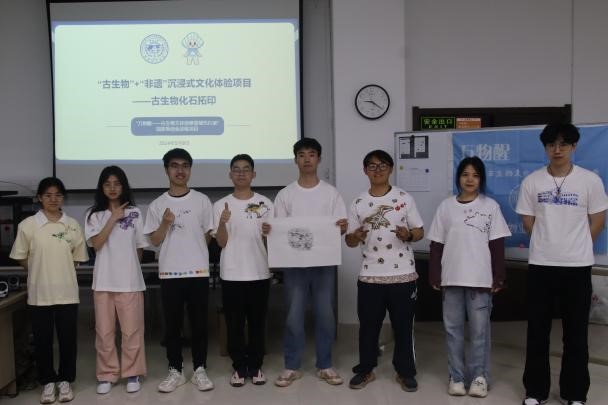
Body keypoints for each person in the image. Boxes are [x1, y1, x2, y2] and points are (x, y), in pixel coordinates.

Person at [516, 123, 608, 405]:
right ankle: (535, 391)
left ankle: (575, 394)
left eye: (563, 144)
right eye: (551, 144)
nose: (557, 150)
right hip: (541, 266)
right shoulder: (532, 182)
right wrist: (549, 243)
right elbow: (528, 222)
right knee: (537, 332)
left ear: (574, 146)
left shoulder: (590, 181)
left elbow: (598, 220)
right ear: (545, 147)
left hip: (577, 267)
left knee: (576, 333)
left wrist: (576, 245)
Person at [264, 137, 348, 387]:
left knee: (325, 315)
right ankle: (292, 365)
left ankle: (325, 364)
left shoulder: (331, 193)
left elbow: (340, 229)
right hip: (294, 265)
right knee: (293, 315)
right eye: (301, 155)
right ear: (295, 160)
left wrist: (342, 227)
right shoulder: (285, 194)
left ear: (319, 159)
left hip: (324, 264)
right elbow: (279, 230)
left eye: (312, 154)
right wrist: (270, 230)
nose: (307, 159)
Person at [427, 156, 511, 398]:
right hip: (451, 278)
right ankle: (456, 377)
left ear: (481, 179)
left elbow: (497, 245)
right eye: (465, 174)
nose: (470, 179)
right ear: (458, 178)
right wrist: (435, 274)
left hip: (480, 280)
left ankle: (479, 378)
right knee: (453, 330)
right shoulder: (446, 207)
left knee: (479, 332)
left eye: (475, 175)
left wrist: (499, 276)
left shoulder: (490, 207)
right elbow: (436, 244)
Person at [345, 149, 423, 392]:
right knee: (368, 327)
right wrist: (355, 236)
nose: (377, 170)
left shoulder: (404, 198)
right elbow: (349, 240)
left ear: (390, 169)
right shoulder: (358, 202)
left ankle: (405, 372)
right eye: (372, 166)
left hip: (403, 275)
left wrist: (408, 235)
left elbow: (419, 231)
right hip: (370, 275)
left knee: (403, 327)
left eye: (382, 165)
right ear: (365, 171)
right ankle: (366, 369)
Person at [9, 177, 88, 404]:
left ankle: (65, 381)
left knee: (67, 340)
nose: (53, 199)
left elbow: (77, 258)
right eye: (48, 195)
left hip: (67, 292)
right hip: (39, 293)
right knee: (42, 340)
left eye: (58, 195)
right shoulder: (28, 225)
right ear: (39, 198)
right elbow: (21, 257)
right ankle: (47, 382)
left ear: (63, 198)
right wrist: (39, 269)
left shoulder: (72, 224)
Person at [144, 148, 215, 393]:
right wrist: (165, 223)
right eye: (174, 166)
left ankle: (200, 369)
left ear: (190, 170)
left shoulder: (202, 200)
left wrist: (194, 253)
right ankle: (175, 369)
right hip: (170, 273)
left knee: (200, 325)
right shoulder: (157, 205)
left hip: (197, 272)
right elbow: (154, 241)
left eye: (185, 165)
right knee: (172, 326)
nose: (180, 170)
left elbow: (207, 235)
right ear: (166, 170)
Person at [85, 166, 148, 394]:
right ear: (101, 187)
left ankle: (132, 373)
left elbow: (139, 249)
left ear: (124, 186)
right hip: (103, 281)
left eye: (117, 183)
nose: (112, 188)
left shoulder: (135, 213)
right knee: (104, 332)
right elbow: (96, 244)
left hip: (130, 282)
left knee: (132, 331)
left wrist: (129, 269)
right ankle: (107, 374)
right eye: (107, 184)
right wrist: (112, 218)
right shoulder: (93, 215)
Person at [213, 154, 274, 387]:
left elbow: (273, 241)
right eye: (236, 169)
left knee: (257, 323)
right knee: (234, 324)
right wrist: (222, 222)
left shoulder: (266, 204)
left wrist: (270, 233)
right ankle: (239, 366)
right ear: (230, 175)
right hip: (232, 273)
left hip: (259, 272)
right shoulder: (220, 205)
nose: (241, 173)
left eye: (246, 169)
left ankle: (256, 366)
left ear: (253, 174)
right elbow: (221, 242)